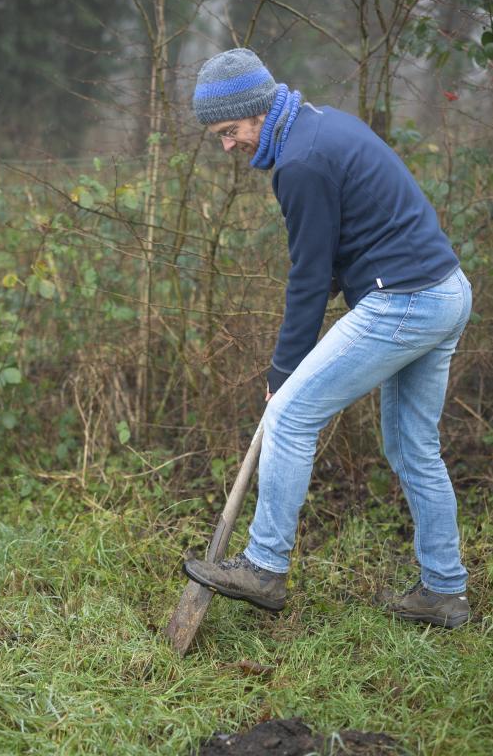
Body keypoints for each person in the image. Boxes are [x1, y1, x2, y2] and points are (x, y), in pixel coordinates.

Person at [181, 48, 472, 629]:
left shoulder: (301, 163)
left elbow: (310, 278)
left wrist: (281, 374)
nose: (227, 145)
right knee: (413, 448)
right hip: (445, 292)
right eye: (218, 135)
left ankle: (264, 567)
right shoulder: (317, 126)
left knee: (289, 417)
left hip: (406, 299)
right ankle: (445, 591)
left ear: (258, 112)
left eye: (230, 131)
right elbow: (342, 251)